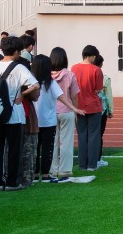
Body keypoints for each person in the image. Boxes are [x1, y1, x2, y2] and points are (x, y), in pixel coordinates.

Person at [0, 37, 39, 192]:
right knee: (14, 149)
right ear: (16, 51)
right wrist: (23, 94)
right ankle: (12, 182)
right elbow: (35, 85)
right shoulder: (19, 67)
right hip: (14, 112)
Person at [72, 46, 106, 172]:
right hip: (93, 106)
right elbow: (98, 89)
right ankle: (92, 165)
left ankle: (82, 165)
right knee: (94, 136)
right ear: (92, 56)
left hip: (78, 105)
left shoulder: (74, 68)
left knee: (81, 136)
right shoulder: (97, 70)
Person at [30, 54, 61, 183]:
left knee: (35, 148)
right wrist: (73, 108)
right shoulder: (51, 83)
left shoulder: (31, 82)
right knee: (48, 148)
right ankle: (46, 174)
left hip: (34, 122)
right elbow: (61, 96)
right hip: (48, 122)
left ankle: (35, 173)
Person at [50, 47, 79, 182]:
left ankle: (52, 169)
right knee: (66, 142)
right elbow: (74, 96)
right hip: (66, 111)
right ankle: (65, 169)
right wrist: (75, 110)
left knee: (53, 142)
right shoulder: (70, 75)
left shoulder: (46, 75)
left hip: (51, 112)